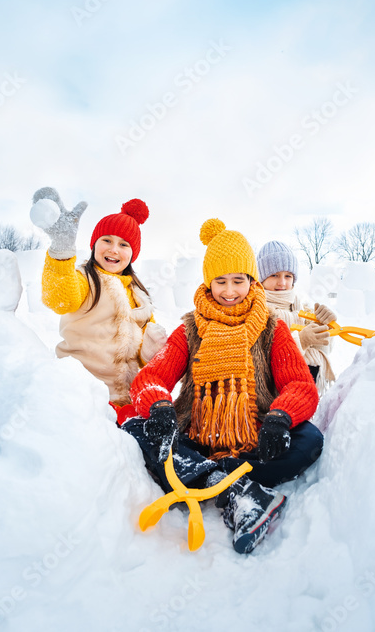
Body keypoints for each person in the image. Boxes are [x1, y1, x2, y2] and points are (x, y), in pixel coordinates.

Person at [123, 219, 323, 554]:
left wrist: (280, 418)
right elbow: (151, 377)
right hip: (199, 435)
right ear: (208, 282)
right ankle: (235, 490)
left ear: (250, 280)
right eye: (221, 281)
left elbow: (300, 384)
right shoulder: (190, 328)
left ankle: (209, 476)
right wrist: (158, 405)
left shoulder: (272, 328)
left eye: (238, 280)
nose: (229, 291)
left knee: (310, 440)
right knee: (137, 428)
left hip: (256, 437)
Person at [32, 188, 166, 424]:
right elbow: (60, 299)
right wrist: (62, 252)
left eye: (124, 244)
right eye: (107, 240)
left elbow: (144, 354)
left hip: (127, 400)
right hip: (83, 394)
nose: (114, 249)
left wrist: (151, 347)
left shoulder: (138, 295)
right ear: (94, 244)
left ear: (132, 254)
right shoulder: (85, 279)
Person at [256, 240, 337, 395]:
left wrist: (327, 326)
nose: (282, 282)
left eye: (288, 275)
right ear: (262, 278)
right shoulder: (256, 310)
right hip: (271, 399)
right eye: (274, 275)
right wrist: (301, 341)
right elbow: (261, 359)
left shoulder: (301, 307)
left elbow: (325, 349)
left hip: (304, 395)